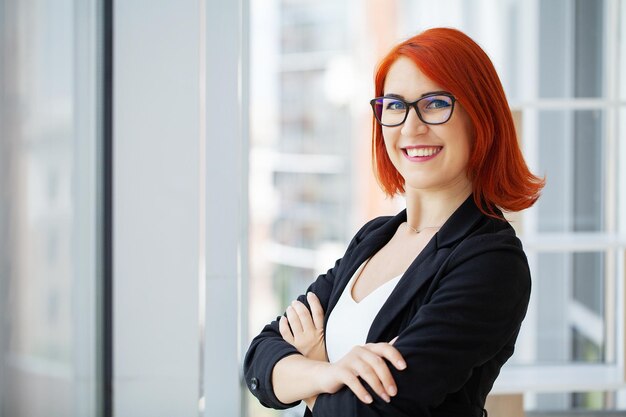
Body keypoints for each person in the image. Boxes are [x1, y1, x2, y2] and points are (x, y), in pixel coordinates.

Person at [244, 27, 544, 417]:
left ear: (479, 116)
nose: (411, 126)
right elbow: (260, 358)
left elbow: (373, 411)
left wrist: (312, 366)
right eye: (395, 105)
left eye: (436, 103)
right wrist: (329, 373)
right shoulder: (374, 237)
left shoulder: (491, 260)